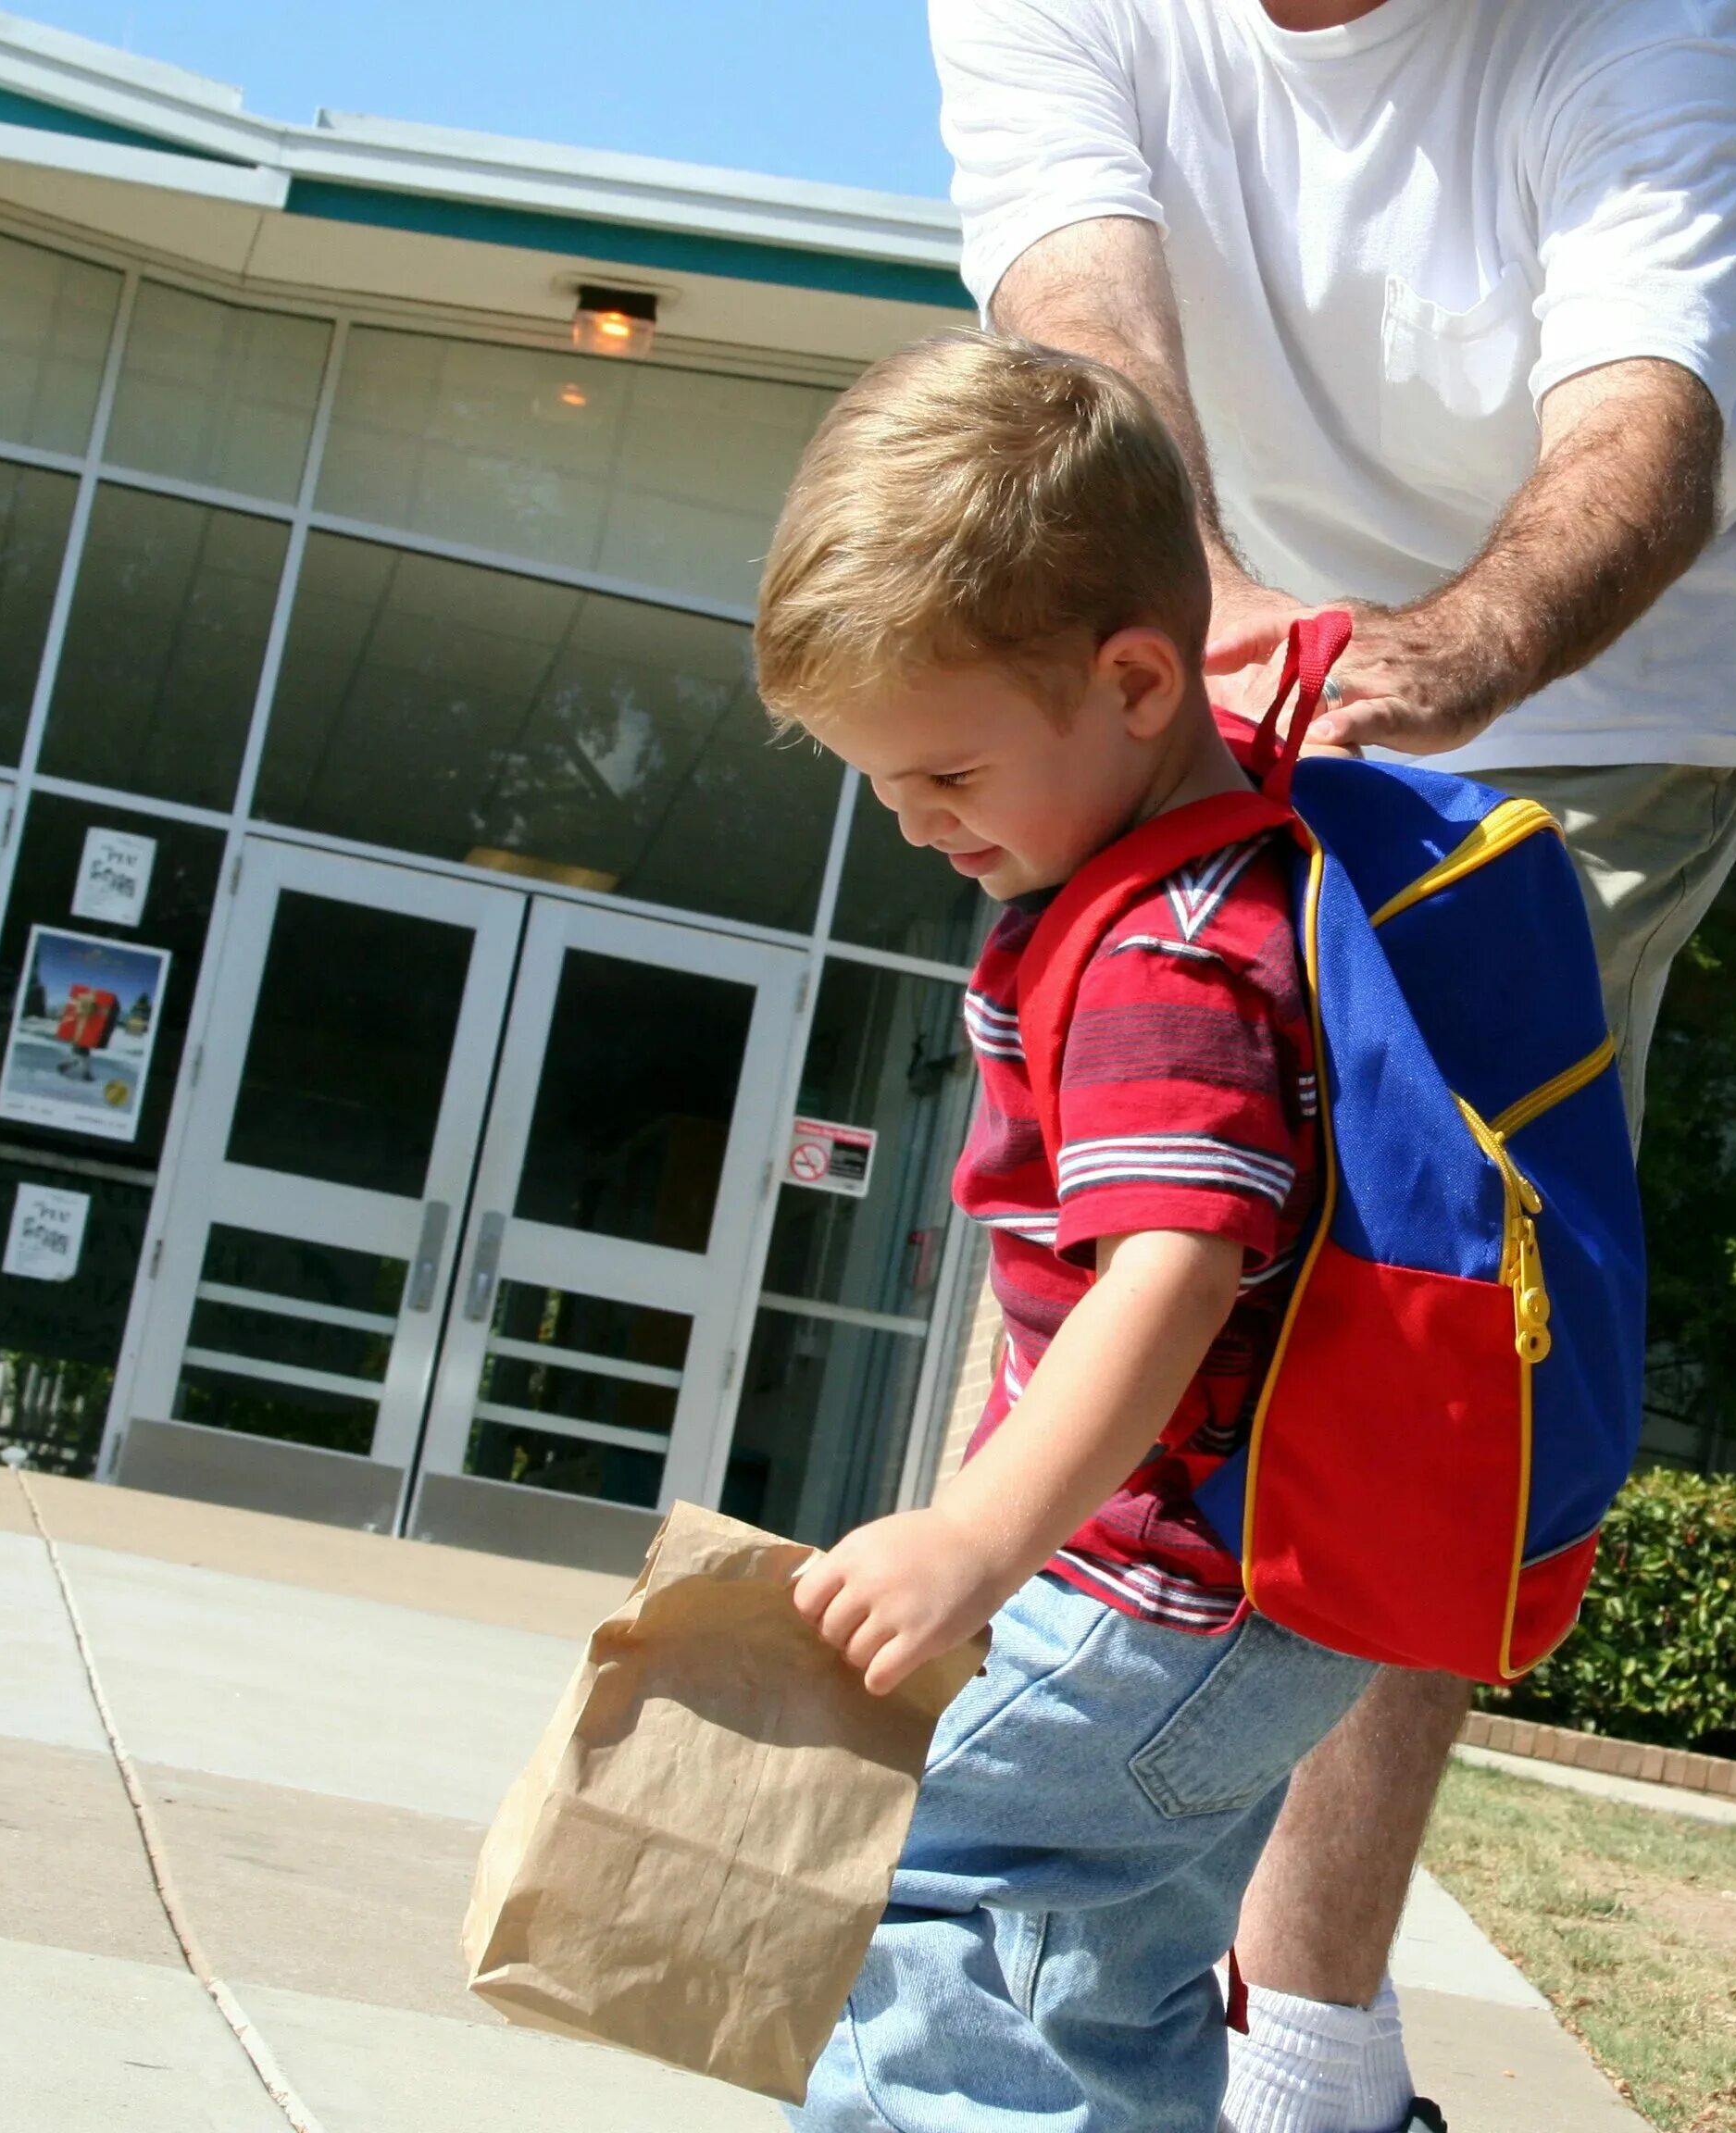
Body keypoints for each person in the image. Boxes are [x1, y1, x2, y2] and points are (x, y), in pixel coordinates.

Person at [928, 4, 1736, 2127]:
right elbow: (1084, 315)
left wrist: (1429, 661)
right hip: (1208, 615)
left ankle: (1302, 2049)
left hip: (1591, 684)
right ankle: (1044, 1900)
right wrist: (1224, 605)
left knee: (1416, 1304)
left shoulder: (1636, 21)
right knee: (1117, 1152)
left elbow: (1640, 433)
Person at [757, 330, 1378, 2133]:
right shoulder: (1245, 856)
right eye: (875, 780)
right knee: (1086, 1988)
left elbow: (1171, 1270)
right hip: (1242, 1601)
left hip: (1141, 1598)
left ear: (1129, 680)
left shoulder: (1164, 948)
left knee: (935, 1927)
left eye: (942, 774)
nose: (910, 820)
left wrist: (972, 1538)